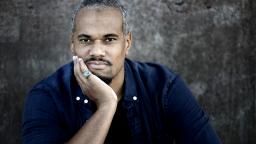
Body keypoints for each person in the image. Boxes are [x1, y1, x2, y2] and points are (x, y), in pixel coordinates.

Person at [22, 0, 221, 143]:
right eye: (85, 40)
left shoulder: (164, 87)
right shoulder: (47, 95)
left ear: (127, 43)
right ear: (72, 44)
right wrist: (107, 105)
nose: (97, 52)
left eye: (109, 39)